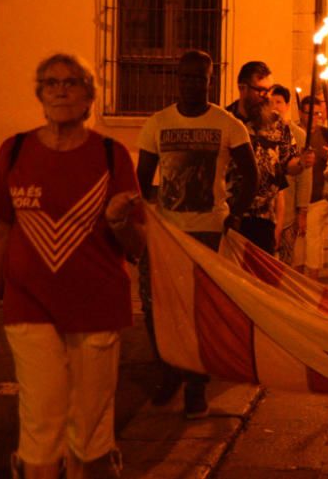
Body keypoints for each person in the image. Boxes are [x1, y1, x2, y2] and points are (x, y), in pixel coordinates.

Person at [0, 53, 145, 479]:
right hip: (28, 304)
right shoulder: (14, 151)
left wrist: (118, 221)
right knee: (42, 420)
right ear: (40, 94)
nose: (60, 89)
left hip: (97, 306)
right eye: (50, 82)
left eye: (72, 82)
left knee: (89, 428)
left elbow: (137, 246)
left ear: (90, 96)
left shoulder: (112, 156)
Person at [136, 50, 257, 419]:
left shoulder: (228, 125)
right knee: (156, 307)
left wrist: (234, 214)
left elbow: (250, 175)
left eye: (198, 78)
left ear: (209, 80)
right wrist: (141, 221)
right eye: (185, 77)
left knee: (201, 311)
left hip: (209, 232)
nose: (191, 84)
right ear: (177, 79)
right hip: (166, 230)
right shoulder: (157, 123)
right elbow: (141, 179)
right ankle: (170, 369)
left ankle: (196, 387)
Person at [225, 61, 313, 253]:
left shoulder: (276, 123)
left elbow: (288, 163)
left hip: (264, 216)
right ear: (243, 88)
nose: (267, 97)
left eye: (269, 90)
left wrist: (302, 163)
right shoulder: (226, 120)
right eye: (261, 91)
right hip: (230, 214)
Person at [270, 85, 312, 268]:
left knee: (287, 262)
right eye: (270, 102)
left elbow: (304, 176)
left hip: (288, 211)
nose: (274, 106)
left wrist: (302, 210)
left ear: (287, 105)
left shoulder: (297, 135)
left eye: (278, 102)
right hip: (266, 211)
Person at [298, 94, 328, 275]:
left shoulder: (327, 135)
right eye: (309, 113)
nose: (313, 118)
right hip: (298, 199)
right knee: (300, 244)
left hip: (319, 198)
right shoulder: (293, 133)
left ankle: (312, 282)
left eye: (318, 114)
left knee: (313, 240)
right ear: (301, 113)